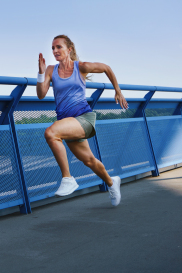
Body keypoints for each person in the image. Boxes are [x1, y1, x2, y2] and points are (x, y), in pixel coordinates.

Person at [37, 34, 129, 206]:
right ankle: (112, 182)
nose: (55, 50)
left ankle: (68, 178)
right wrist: (41, 73)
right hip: (67, 123)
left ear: (69, 49)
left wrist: (118, 90)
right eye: (53, 48)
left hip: (83, 119)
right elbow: (41, 95)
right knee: (89, 161)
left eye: (59, 47)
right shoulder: (51, 70)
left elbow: (106, 68)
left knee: (51, 133)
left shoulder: (81, 67)